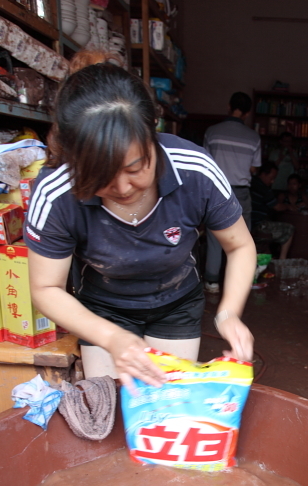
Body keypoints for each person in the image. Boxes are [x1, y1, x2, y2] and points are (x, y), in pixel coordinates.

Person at [25, 64, 256, 389]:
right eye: (101, 176)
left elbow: (240, 245)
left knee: (169, 400)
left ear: (153, 135)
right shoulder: (56, 192)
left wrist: (229, 313)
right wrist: (111, 337)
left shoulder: (195, 170)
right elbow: (45, 288)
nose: (122, 187)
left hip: (177, 300)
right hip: (103, 306)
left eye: (134, 168)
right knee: (109, 402)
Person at [202, 91, 262, 293]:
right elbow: (254, 168)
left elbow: (206, 163)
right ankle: (236, 283)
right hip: (241, 193)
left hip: (216, 190)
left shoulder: (212, 132)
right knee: (241, 238)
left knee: (215, 236)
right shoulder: (254, 138)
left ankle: (212, 281)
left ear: (229, 106)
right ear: (247, 113)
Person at [250, 162, 294, 260]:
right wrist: (288, 206)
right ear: (263, 174)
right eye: (271, 178)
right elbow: (277, 207)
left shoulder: (250, 182)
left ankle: (264, 263)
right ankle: (282, 260)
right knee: (289, 229)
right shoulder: (263, 188)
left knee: (266, 251)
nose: (272, 181)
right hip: (258, 226)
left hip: (249, 225)